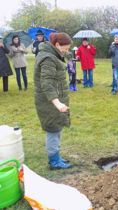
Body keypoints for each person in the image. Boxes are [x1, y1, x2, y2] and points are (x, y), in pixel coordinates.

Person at [34, 32, 72, 170]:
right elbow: (47, 84)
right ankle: (54, 161)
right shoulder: (48, 59)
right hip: (49, 103)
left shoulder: (54, 54)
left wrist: (69, 54)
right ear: (56, 45)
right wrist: (57, 103)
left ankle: (57, 157)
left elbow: (65, 56)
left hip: (54, 101)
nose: (66, 51)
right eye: (65, 48)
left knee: (57, 128)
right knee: (53, 130)